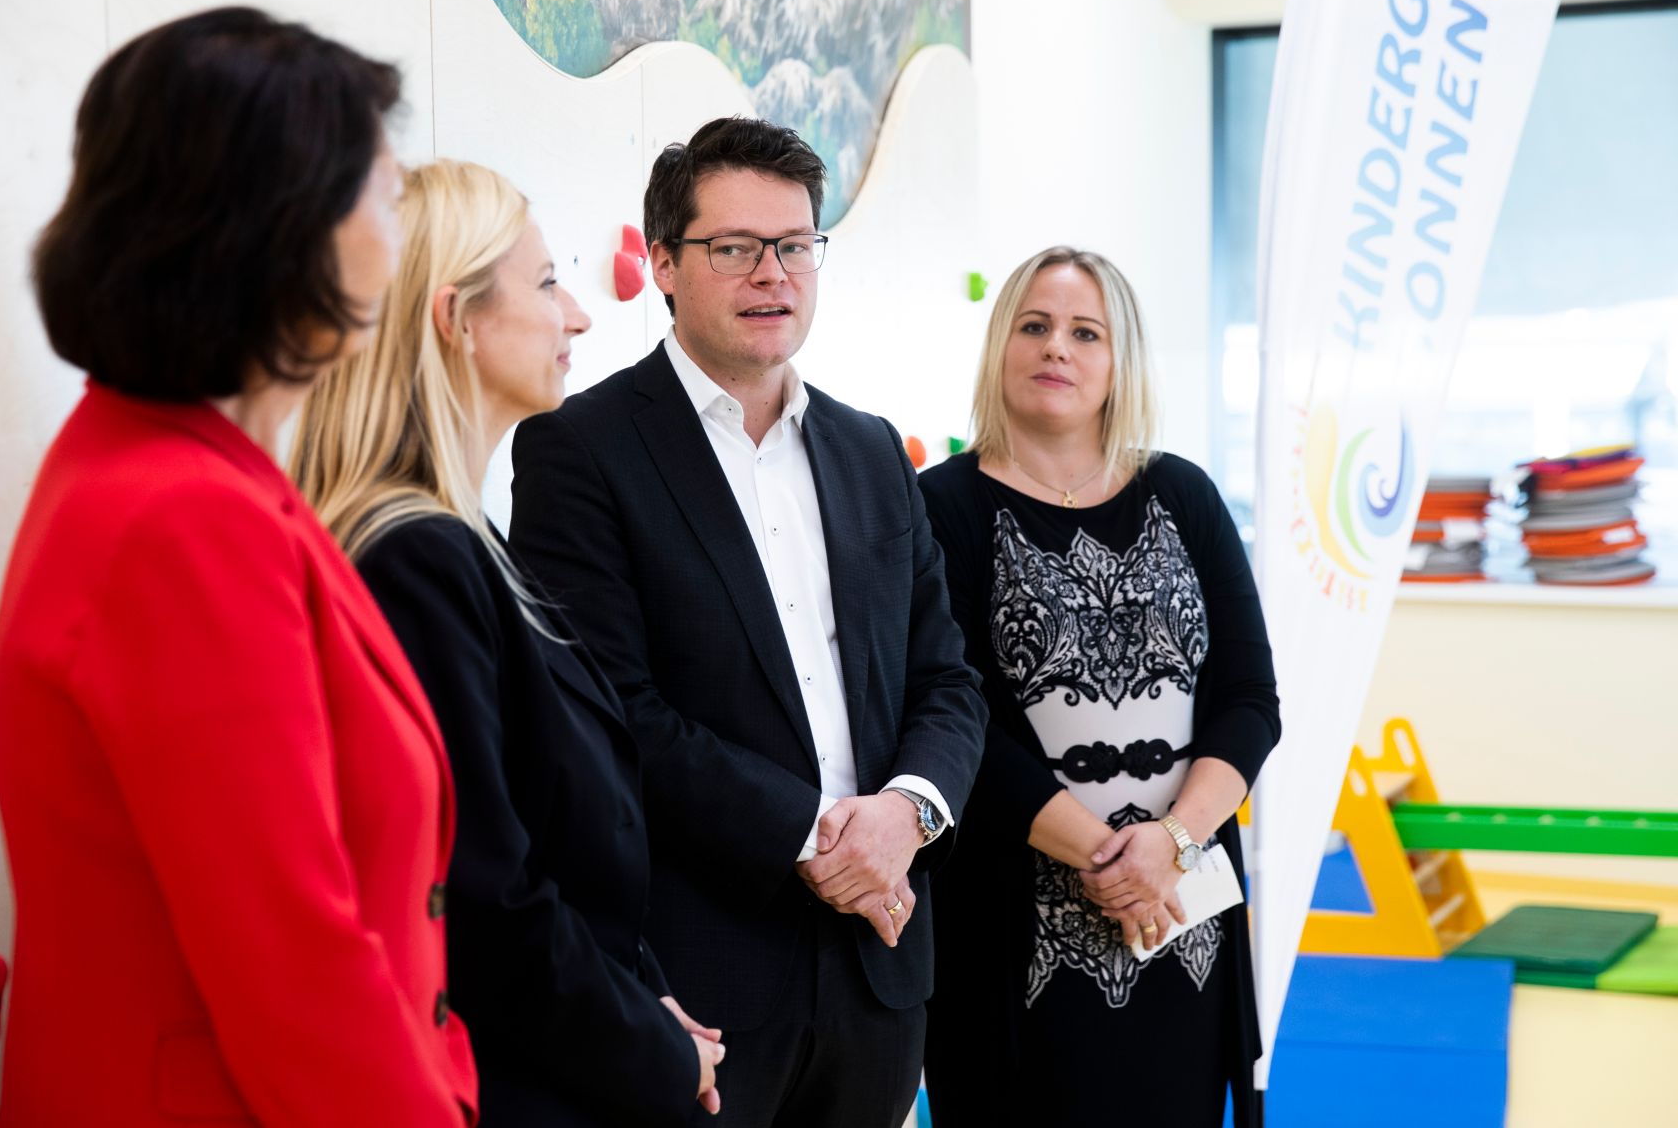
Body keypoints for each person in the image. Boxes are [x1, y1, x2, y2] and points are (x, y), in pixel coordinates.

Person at [0, 7, 476, 1126]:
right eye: (383, 188)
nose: (401, 221)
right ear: (279, 222)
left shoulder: (186, 469)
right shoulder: (181, 518)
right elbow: (294, 963)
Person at [508, 116, 987, 1128]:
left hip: (878, 968)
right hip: (698, 979)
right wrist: (810, 838)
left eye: (795, 245)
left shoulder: (867, 451)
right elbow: (611, 714)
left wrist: (906, 810)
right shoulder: (579, 450)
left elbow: (944, 676)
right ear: (668, 265)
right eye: (734, 248)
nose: (772, 273)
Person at [292, 158, 726, 1125]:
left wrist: (652, 1005)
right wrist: (655, 1044)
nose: (575, 314)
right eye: (543, 282)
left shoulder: (464, 539)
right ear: (457, 320)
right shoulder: (417, 558)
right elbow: (488, 898)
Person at [917, 247, 1280, 1127]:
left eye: (1087, 332)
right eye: (1034, 326)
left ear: (1121, 363)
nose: (1058, 349)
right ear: (1002, 344)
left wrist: (1173, 844)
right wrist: (1112, 857)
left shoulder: (1183, 494)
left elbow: (1249, 700)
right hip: (1011, 942)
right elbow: (954, 716)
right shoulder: (939, 507)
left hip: (1183, 919)